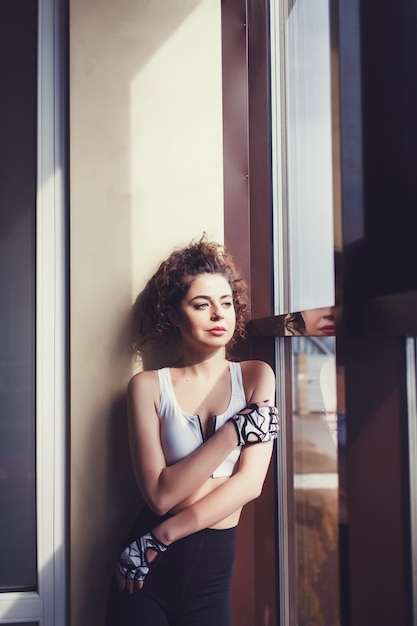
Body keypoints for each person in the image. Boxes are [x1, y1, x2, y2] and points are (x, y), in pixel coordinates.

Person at [105, 237, 279, 626]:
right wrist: (236, 431)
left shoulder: (256, 376)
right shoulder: (148, 387)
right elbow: (161, 495)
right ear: (174, 314)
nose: (219, 315)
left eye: (226, 303)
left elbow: (250, 485)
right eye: (202, 305)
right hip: (143, 576)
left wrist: (163, 534)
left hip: (174, 559)